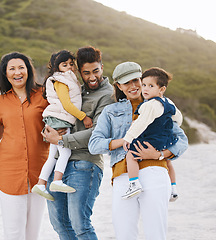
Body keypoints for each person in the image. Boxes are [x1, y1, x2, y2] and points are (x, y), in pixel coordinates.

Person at [88, 61, 188, 240]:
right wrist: (124, 141)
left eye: (136, 80)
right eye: (127, 83)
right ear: (118, 86)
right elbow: (94, 144)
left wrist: (158, 155)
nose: (133, 86)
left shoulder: (160, 105)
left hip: (155, 171)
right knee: (124, 234)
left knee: (155, 234)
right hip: (122, 176)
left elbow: (182, 141)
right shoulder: (111, 111)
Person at [41, 46, 114, 239]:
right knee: (60, 225)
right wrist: (48, 131)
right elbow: (58, 114)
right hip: (58, 165)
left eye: (96, 71)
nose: (92, 77)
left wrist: (62, 139)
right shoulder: (74, 90)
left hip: (85, 164)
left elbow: (98, 133)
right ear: (78, 71)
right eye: (86, 72)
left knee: (80, 224)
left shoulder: (108, 95)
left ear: (102, 67)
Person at [0, 52, 50, 240]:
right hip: (9, 172)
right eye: (12, 68)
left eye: (21, 67)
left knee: (32, 233)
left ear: (28, 70)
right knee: (13, 233)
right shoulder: (0, 102)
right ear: (5, 73)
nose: (17, 72)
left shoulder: (44, 94)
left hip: (39, 172)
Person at [31, 50, 93, 201]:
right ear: (56, 67)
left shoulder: (67, 79)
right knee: (65, 152)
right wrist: (83, 117)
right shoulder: (61, 80)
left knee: (53, 154)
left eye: (71, 64)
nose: (70, 67)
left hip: (58, 118)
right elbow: (66, 104)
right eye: (64, 65)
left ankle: (40, 184)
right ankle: (57, 181)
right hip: (60, 118)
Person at [122, 66, 182, 200]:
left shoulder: (150, 105)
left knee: (131, 155)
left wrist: (128, 138)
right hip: (165, 139)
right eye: (143, 85)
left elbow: (141, 123)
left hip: (152, 139)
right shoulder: (168, 102)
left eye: (150, 85)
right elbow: (178, 118)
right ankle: (173, 188)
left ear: (161, 89)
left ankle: (134, 183)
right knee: (167, 161)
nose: (145, 89)